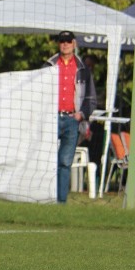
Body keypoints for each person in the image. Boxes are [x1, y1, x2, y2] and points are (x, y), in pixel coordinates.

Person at [44, 31, 94, 203]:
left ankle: (60, 201)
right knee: (45, 159)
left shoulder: (83, 69)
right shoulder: (48, 66)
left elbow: (90, 98)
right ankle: (44, 197)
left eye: (67, 41)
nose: (64, 44)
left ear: (74, 43)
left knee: (65, 162)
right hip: (51, 118)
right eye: (61, 41)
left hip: (72, 120)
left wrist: (81, 115)